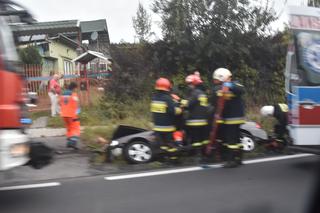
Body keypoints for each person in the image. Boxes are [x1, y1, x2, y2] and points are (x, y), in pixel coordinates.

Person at [210, 68, 245, 168]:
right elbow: (214, 98)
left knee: (231, 140)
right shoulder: (217, 88)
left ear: (222, 77)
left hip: (233, 118)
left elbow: (241, 89)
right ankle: (238, 159)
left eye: (216, 79)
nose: (214, 82)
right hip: (228, 118)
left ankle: (232, 161)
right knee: (236, 139)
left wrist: (227, 85)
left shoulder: (235, 84)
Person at [150, 78, 182, 160]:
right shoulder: (167, 98)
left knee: (162, 145)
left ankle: (164, 158)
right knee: (171, 144)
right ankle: (174, 158)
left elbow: (153, 112)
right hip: (168, 127)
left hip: (157, 127)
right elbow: (173, 111)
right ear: (167, 87)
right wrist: (179, 109)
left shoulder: (154, 98)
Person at [183, 72, 209, 150]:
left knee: (196, 140)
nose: (188, 86)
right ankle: (205, 154)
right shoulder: (202, 93)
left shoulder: (194, 93)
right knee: (203, 139)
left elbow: (188, 105)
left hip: (194, 121)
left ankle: (197, 156)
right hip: (203, 120)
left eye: (189, 84)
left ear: (194, 83)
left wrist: (182, 102)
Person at [60, 82, 80, 149]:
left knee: (69, 128)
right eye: (76, 88)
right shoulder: (74, 94)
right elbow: (76, 105)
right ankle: (72, 142)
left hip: (64, 114)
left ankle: (69, 141)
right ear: (74, 88)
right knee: (75, 127)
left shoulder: (63, 94)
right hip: (71, 114)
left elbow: (60, 102)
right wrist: (77, 112)